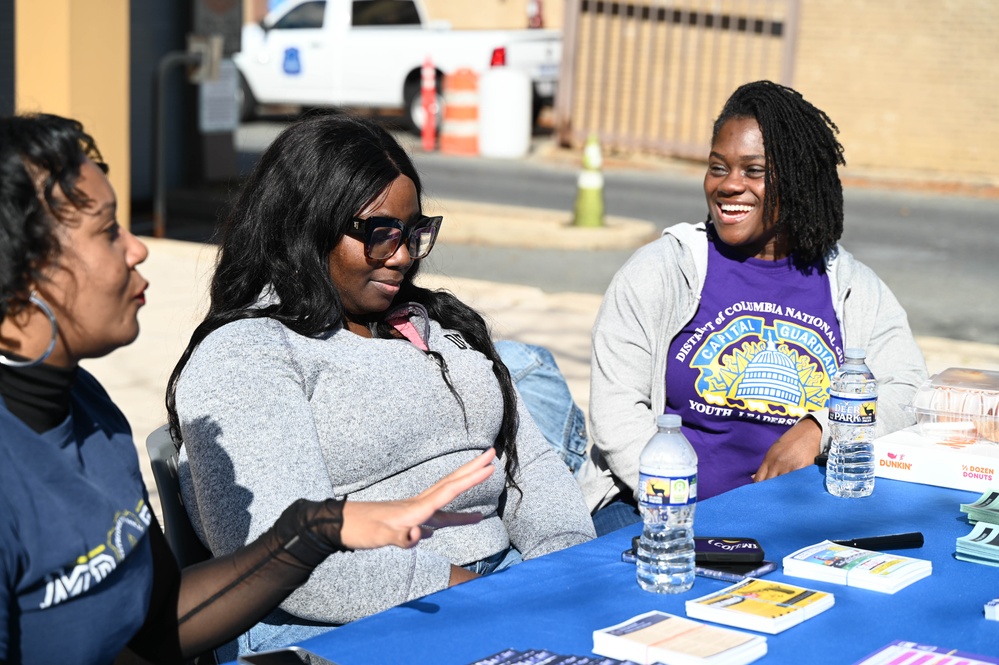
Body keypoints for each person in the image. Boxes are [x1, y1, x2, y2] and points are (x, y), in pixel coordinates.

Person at [0, 112, 499, 665]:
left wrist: (313, 531)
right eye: (106, 230)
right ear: (17, 278)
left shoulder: (87, 407)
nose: (135, 248)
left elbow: (160, 622)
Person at [165, 113, 595, 655]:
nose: (403, 255)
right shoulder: (249, 354)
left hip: (501, 584)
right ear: (305, 224)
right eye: (378, 233)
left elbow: (525, 462)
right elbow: (281, 552)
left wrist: (564, 566)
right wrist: (473, 595)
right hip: (349, 620)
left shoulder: (434, 326)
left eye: (414, 231)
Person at [578, 81, 928, 535]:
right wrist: (684, 508)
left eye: (754, 170)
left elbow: (908, 390)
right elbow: (616, 412)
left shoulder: (851, 286)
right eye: (718, 167)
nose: (729, 185)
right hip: (660, 510)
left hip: (803, 520)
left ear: (797, 179)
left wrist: (821, 430)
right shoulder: (662, 269)